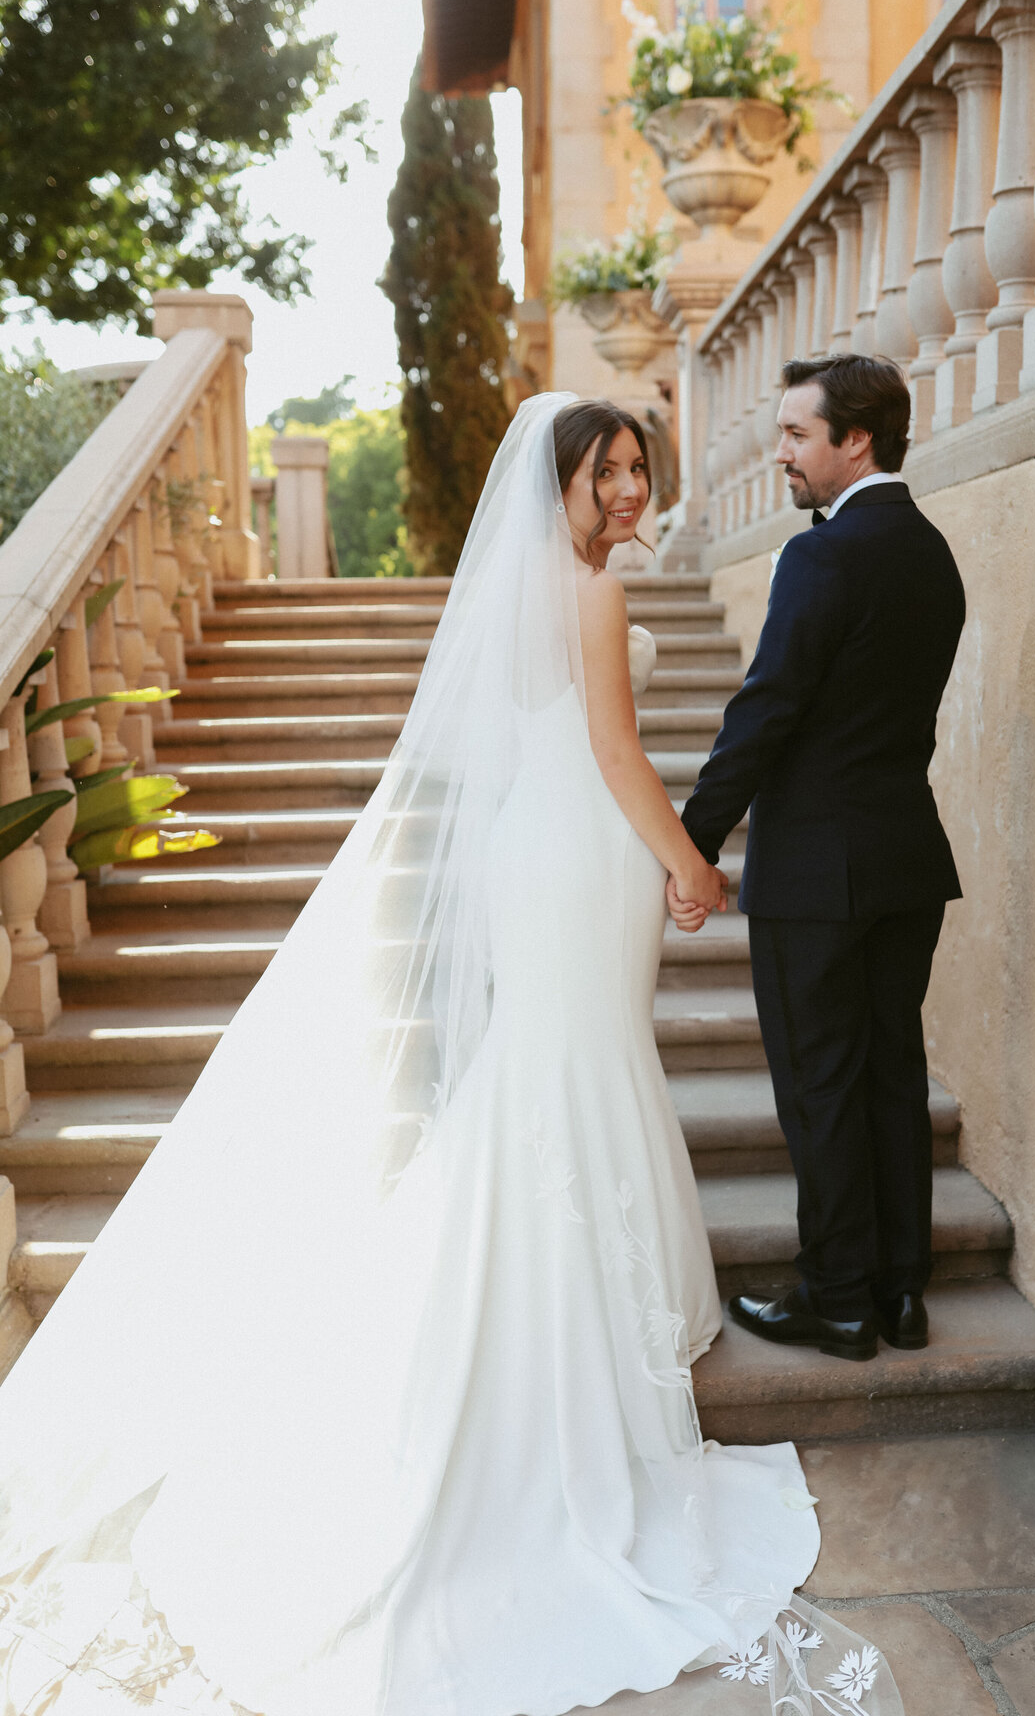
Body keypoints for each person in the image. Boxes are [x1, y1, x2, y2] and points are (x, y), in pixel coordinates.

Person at [0, 394, 904, 1715]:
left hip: (542, 850)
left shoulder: (547, 587)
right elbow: (611, 750)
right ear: (565, 481)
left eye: (640, 470)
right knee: (568, 1078)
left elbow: (561, 750)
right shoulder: (588, 595)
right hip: (586, 848)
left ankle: (560, 1320)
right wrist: (692, 863)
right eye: (611, 472)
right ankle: (555, 1356)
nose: (631, 492)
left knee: (555, 1080)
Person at [673, 356, 965, 1365]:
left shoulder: (826, 556)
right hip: (905, 862)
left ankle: (837, 1298)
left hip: (819, 875)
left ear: (857, 439)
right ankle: (899, 1291)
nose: (781, 453)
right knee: (890, 1073)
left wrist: (691, 842)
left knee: (822, 1083)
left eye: (797, 435)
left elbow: (767, 709)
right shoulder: (932, 551)